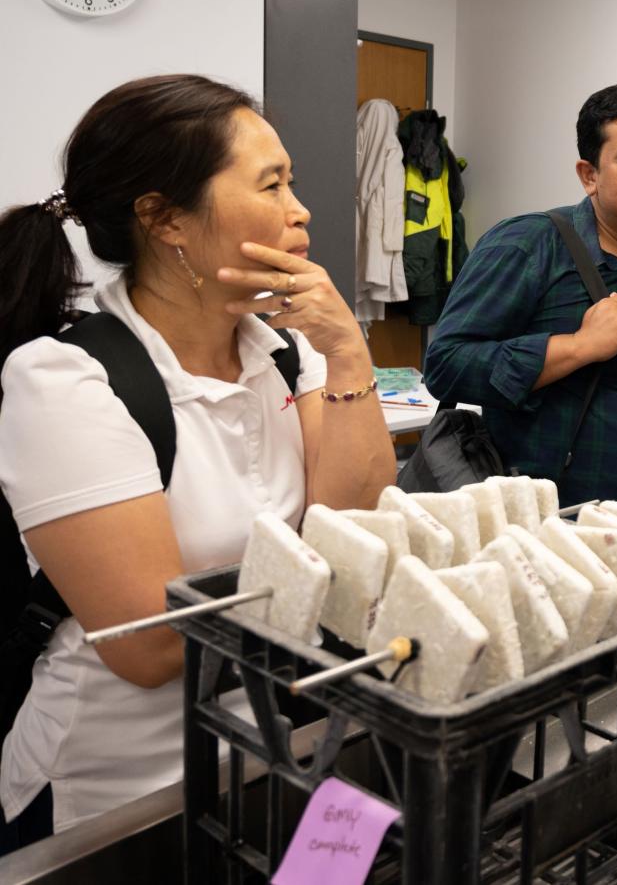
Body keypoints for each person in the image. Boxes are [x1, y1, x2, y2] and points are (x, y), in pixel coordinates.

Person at [0, 75, 395, 845]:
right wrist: (320, 579)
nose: (300, 208)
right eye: (272, 183)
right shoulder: (67, 381)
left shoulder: (289, 351)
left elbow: (362, 535)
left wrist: (348, 353)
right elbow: (148, 648)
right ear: (164, 217)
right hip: (122, 795)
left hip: (280, 747)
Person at [424, 84, 617, 520]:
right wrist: (577, 347)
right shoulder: (528, 245)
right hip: (551, 531)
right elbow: (446, 364)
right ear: (589, 175)